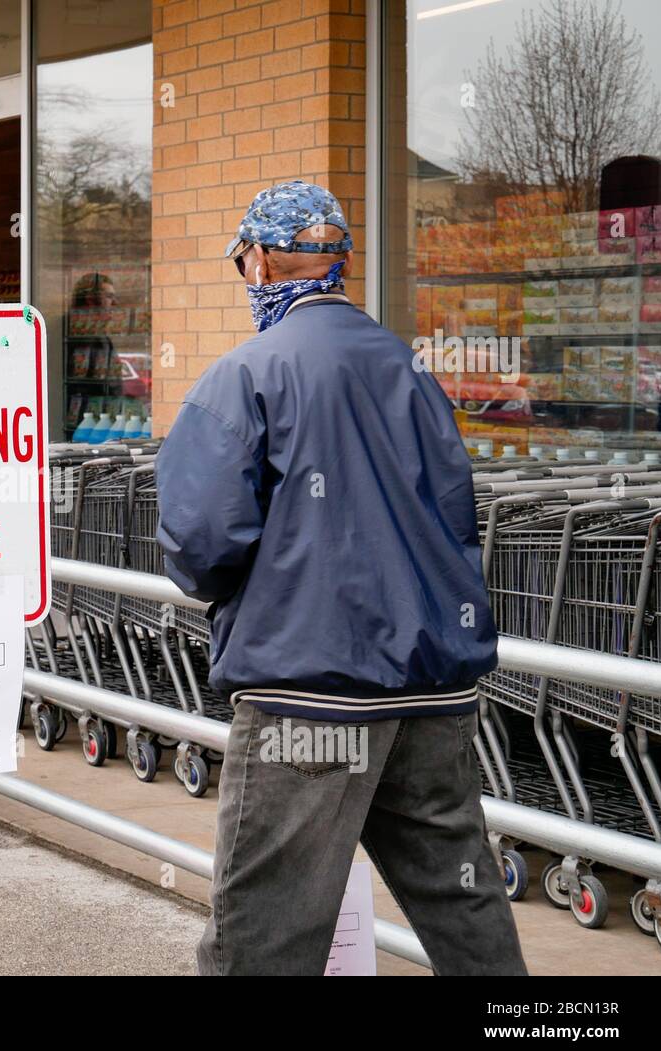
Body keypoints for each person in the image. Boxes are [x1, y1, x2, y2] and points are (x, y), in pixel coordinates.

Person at [155, 180, 527, 976]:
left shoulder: (246, 376)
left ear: (258, 262)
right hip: (432, 692)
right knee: (462, 901)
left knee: (265, 930)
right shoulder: (412, 371)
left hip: (309, 695)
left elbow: (201, 541)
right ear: (341, 265)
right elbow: (454, 514)